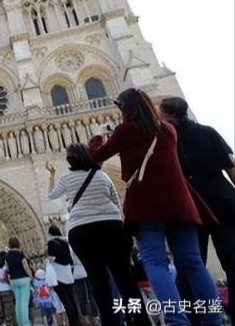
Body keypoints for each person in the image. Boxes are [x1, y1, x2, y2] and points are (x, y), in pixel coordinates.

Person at [89, 88, 221, 326]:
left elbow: (95, 157)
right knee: (193, 262)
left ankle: (177, 321)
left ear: (126, 109)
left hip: (147, 205)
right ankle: (214, 319)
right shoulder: (169, 129)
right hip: (180, 204)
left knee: (155, 263)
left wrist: (98, 136)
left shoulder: (126, 130)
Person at [46, 144, 149, 326]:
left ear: (70, 161)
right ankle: (141, 321)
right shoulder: (102, 176)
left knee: (98, 283)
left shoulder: (67, 177)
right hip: (112, 228)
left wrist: (52, 174)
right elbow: (117, 204)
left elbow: (52, 195)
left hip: (83, 232)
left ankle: (110, 322)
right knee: (125, 280)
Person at [160, 96, 235, 322]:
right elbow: (231, 168)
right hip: (222, 202)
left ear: (167, 116)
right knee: (232, 261)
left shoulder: (166, 142)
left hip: (191, 208)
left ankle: (195, 316)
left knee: (190, 265)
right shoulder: (207, 132)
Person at [46, 225, 81, 326]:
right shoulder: (65, 243)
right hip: (68, 275)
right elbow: (69, 259)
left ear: (50, 233)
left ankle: (73, 322)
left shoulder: (51, 243)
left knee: (66, 301)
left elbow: (52, 258)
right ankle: (77, 321)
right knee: (72, 300)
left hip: (58, 277)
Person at [5, 237, 33, 326]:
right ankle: (25, 323)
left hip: (13, 280)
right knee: (24, 303)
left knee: (18, 303)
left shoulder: (7, 255)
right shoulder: (20, 253)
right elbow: (25, 265)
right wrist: (31, 276)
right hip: (23, 279)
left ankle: (20, 322)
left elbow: (7, 268)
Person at [0, 251, 14, 326]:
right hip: (6, 288)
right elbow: (7, 277)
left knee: (1, 308)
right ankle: (8, 323)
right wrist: (5, 280)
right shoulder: (6, 266)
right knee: (8, 309)